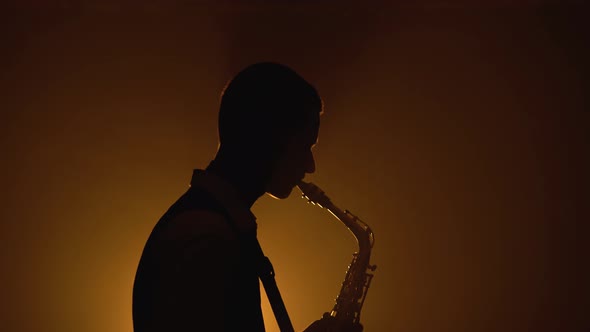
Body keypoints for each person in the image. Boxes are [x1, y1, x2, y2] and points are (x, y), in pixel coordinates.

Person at [132, 62, 323, 332]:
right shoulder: (205, 235)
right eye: (304, 146)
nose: (310, 165)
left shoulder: (213, 226)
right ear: (269, 137)